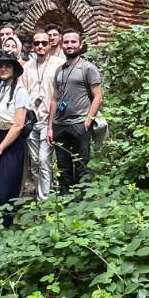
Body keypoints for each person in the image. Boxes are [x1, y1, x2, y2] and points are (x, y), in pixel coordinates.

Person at [48, 30, 103, 194]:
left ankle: (82, 204)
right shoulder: (60, 70)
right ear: (61, 44)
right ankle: (66, 203)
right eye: (66, 42)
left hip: (79, 125)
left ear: (80, 44)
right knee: (63, 168)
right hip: (60, 125)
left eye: (73, 42)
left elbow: (98, 97)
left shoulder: (88, 68)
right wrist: (50, 127)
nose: (69, 45)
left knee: (81, 167)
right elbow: (54, 99)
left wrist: (87, 121)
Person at [0, 51, 29, 222]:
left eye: (7, 66)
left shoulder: (20, 92)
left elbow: (18, 125)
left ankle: (5, 232)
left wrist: (0, 149)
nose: (3, 69)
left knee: (3, 193)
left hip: (9, 145)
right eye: (0, 66)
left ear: (15, 69)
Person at [21, 30, 61, 201]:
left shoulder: (58, 64)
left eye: (44, 43)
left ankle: (45, 202)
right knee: (35, 162)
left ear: (50, 44)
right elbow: (22, 92)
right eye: (36, 43)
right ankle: (40, 195)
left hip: (48, 119)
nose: (40, 46)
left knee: (44, 160)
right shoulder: (27, 67)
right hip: (31, 120)